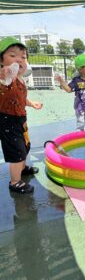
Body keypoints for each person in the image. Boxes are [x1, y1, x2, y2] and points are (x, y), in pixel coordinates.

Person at [0, 37, 43, 194]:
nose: (19, 59)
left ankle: (23, 168)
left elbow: (21, 99)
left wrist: (31, 103)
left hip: (20, 119)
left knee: (25, 146)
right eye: (12, 55)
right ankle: (15, 182)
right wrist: (3, 73)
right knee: (16, 152)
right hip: (7, 121)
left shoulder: (20, 80)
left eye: (23, 57)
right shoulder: (5, 79)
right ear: (1, 60)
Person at [55, 54, 85, 131]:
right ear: (81, 70)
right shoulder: (77, 81)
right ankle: (80, 139)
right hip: (81, 110)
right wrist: (61, 81)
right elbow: (68, 89)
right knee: (80, 127)